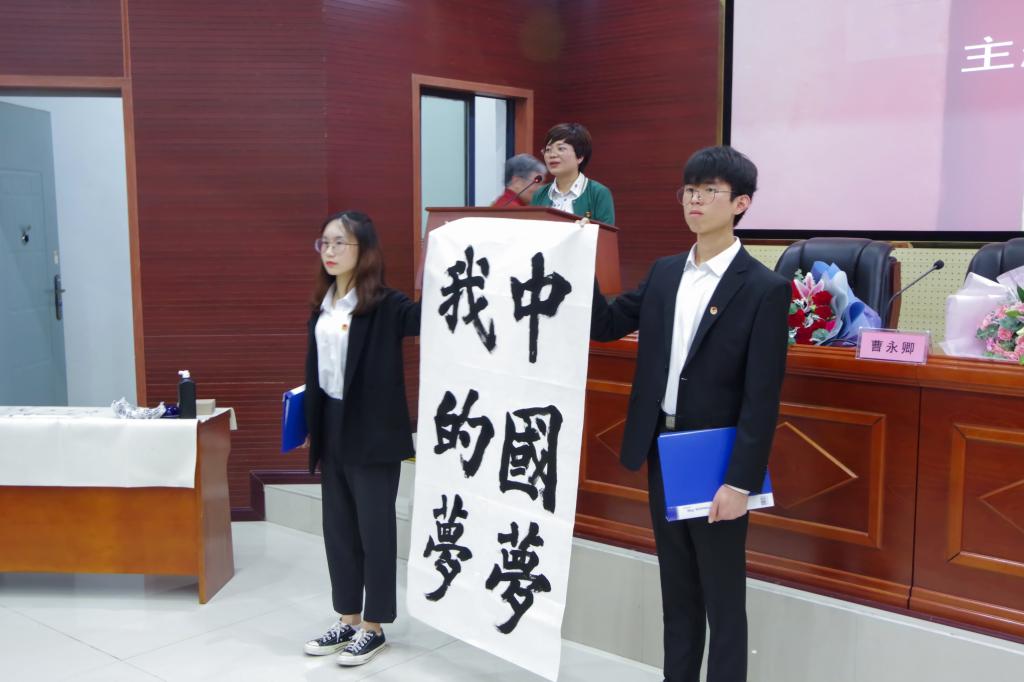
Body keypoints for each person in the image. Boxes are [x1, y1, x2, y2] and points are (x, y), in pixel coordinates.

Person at [590, 146, 789, 682]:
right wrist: (577, 259)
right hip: (663, 448)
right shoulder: (664, 273)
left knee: (722, 597)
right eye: (689, 190)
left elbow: (762, 398)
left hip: (716, 459)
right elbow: (606, 324)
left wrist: (740, 482)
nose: (695, 200)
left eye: (709, 191)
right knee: (677, 590)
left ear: (741, 203)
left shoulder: (764, 288)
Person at [301, 210, 420, 667]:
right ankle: (347, 617)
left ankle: (374, 625)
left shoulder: (387, 305)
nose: (329, 252)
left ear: (363, 250)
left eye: (340, 243)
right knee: (338, 529)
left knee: (374, 529)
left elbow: (428, 318)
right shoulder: (323, 303)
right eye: (325, 243)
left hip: (373, 431)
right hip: (331, 425)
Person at [530, 122, 615, 224]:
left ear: (580, 157)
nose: (552, 155)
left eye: (561, 148)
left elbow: (606, 233)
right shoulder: (540, 194)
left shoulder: (598, 193)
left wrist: (590, 229)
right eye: (548, 150)